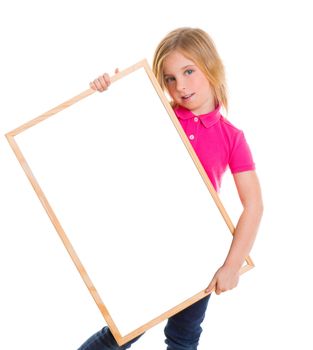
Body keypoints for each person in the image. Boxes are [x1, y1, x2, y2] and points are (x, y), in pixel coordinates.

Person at [78, 27, 263, 350]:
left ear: (211, 66)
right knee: (122, 332)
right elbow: (114, 129)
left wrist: (232, 265)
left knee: (183, 337)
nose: (181, 86)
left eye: (188, 71)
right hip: (152, 245)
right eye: (170, 79)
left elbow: (254, 205)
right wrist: (115, 91)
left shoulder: (232, 136)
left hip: (199, 252)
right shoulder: (159, 114)